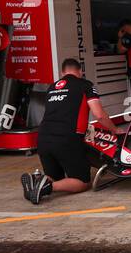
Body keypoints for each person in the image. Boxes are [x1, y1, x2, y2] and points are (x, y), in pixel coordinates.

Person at [22, 58, 122, 205]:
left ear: (63, 72)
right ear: (80, 71)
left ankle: (37, 181)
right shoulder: (85, 85)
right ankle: (48, 187)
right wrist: (115, 129)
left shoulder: (52, 87)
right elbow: (99, 115)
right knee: (82, 182)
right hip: (67, 139)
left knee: (55, 176)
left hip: (43, 138)